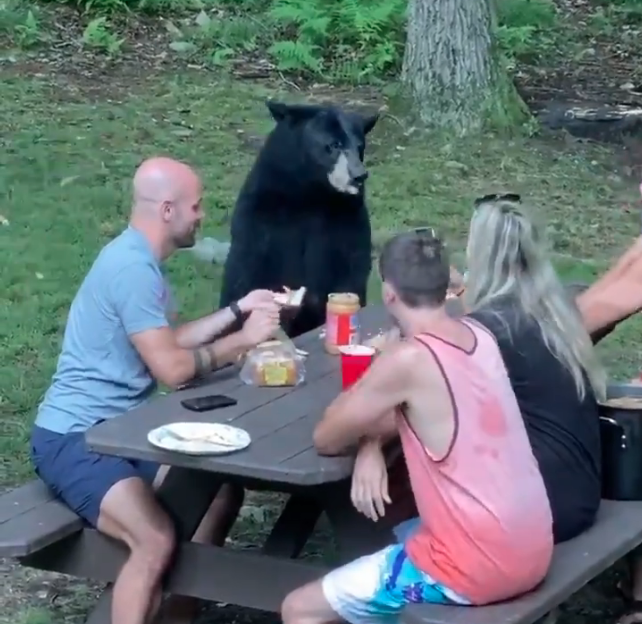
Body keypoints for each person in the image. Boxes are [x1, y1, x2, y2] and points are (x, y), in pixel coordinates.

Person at [30, 157, 283, 624]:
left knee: (219, 493)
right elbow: (172, 368)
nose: (202, 215)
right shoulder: (131, 270)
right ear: (168, 210)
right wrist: (244, 341)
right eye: (196, 206)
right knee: (153, 538)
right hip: (75, 438)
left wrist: (238, 309)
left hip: (122, 432)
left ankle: (175, 616)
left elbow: (167, 340)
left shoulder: (140, 260)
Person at [281, 229, 554, 624]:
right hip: (532, 546)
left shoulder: (408, 359)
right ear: (446, 286)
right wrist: (374, 441)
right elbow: (435, 411)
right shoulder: (480, 335)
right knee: (396, 529)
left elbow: (327, 437)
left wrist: (380, 370)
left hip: (474, 568)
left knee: (300, 609)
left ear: (388, 293)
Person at [463, 195, 607, 544]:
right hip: (583, 493)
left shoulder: (489, 330)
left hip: (543, 511)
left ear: (478, 255)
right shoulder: (554, 312)